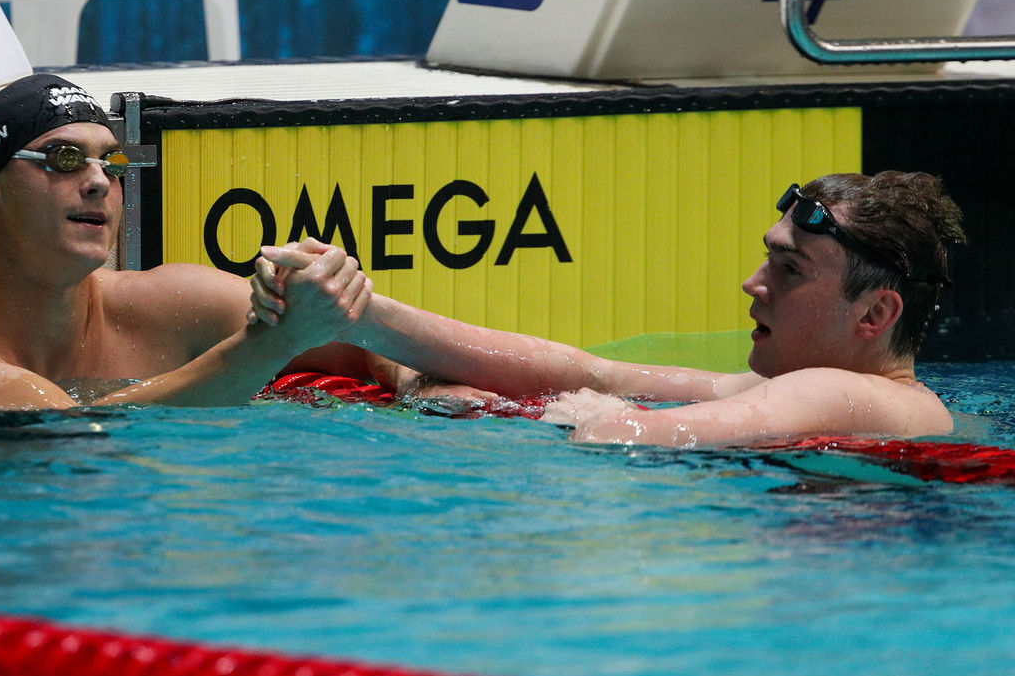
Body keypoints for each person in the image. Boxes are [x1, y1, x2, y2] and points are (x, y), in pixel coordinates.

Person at [250, 171, 966, 447]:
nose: (754, 284)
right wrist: (362, 314)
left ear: (875, 316)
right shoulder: (805, 391)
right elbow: (596, 372)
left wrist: (523, 414)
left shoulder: (845, 392)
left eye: (788, 270)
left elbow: (625, 433)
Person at [0, 74, 400, 408]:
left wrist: (416, 382)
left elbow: (373, 343)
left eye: (112, 162)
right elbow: (69, 437)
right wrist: (272, 345)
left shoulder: (170, 304)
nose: (98, 181)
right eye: (62, 159)